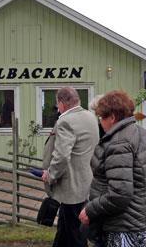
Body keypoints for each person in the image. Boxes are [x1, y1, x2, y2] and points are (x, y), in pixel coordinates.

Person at [79, 90, 146, 247]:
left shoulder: (119, 143)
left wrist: (90, 209)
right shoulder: (140, 133)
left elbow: (120, 194)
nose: (100, 122)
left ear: (113, 117)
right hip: (142, 223)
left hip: (125, 228)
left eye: (102, 117)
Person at [42, 87, 99, 247]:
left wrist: (50, 175)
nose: (57, 108)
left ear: (61, 102)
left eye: (57, 104)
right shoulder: (90, 117)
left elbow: (61, 156)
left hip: (71, 190)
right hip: (86, 184)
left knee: (75, 236)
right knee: (66, 233)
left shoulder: (66, 121)